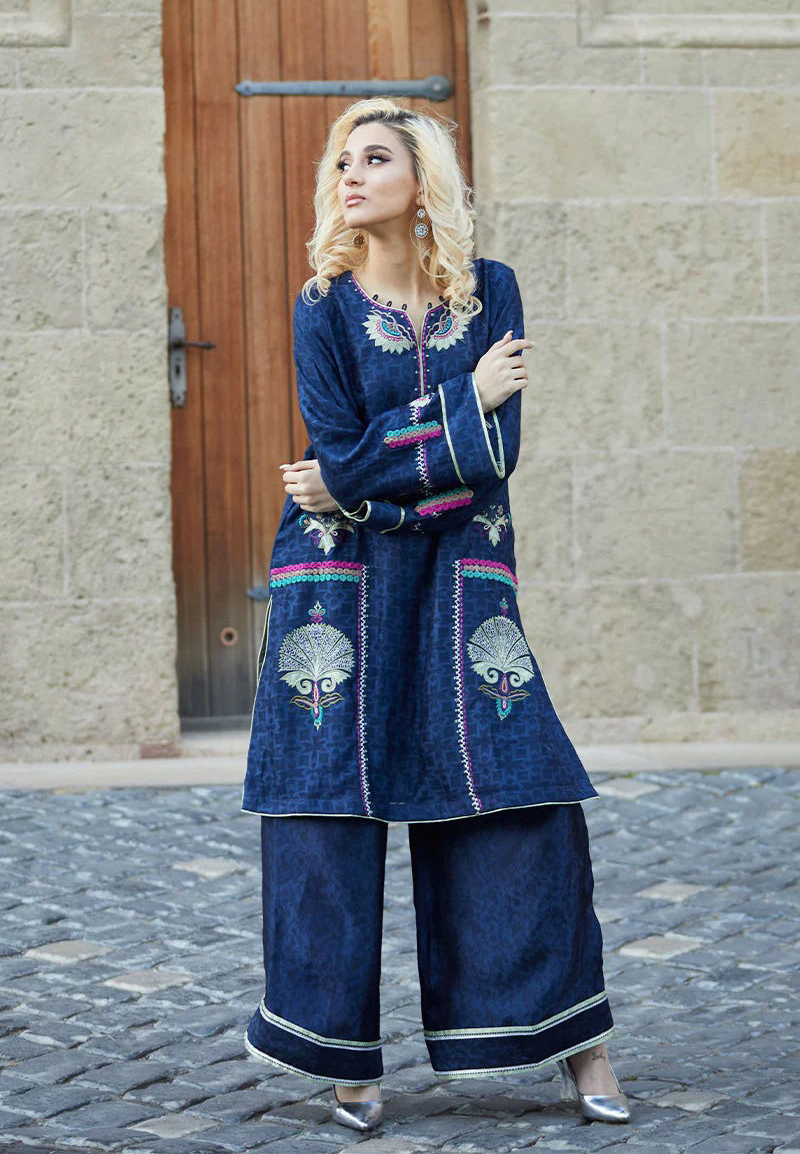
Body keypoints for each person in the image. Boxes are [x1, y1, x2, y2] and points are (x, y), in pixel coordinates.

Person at [241, 98, 631, 1132]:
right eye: (342, 161)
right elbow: (335, 450)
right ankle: (340, 1055)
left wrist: (364, 485)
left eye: (374, 158)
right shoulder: (321, 307)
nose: (349, 175)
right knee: (326, 802)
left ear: (425, 182)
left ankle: (576, 1042)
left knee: (516, 792)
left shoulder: (490, 290)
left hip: (464, 575)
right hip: (339, 583)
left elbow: (496, 456)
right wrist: (461, 406)